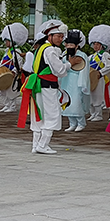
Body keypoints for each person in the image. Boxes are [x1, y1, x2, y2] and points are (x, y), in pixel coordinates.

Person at [18, 20, 71, 154]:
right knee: (52, 114)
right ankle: (43, 144)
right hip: (47, 86)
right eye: (58, 36)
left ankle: (35, 145)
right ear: (50, 36)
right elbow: (59, 71)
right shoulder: (50, 50)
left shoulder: (39, 49)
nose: (61, 38)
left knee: (38, 115)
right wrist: (70, 64)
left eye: (62, 36)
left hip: (38, 86)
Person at [60, 29, 90, 132]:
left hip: (77, 80)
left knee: (77, 101)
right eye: (67, 44)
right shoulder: (64, 55)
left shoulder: (82, 55)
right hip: (66, 80)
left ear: (77, 45)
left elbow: (84, 70)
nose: (69, 46)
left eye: (71, 44)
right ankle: (72, 123)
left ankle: (81, 123)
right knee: (67, 101)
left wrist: (83, 84)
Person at [87, 24, 110, 122]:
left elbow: (109, 65)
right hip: (91, 77)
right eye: (94, 44)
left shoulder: (104, 54)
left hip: (99, 78)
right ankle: (93, 114)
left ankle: (98, 114)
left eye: (97, 44)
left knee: (97, 95)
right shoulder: (91, 56)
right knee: (91, 96)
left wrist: (100, 73)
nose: (95, 46)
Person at [0, 23, 27, 113]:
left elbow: (19, 62)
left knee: (10, 91)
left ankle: (12, 106)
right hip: (5, 72)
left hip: (12, 74)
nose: (5, 43)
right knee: (3, 90)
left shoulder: (16, 52)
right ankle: (7, 105)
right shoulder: (8, 51)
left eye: (7, 41)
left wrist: (15, 71)